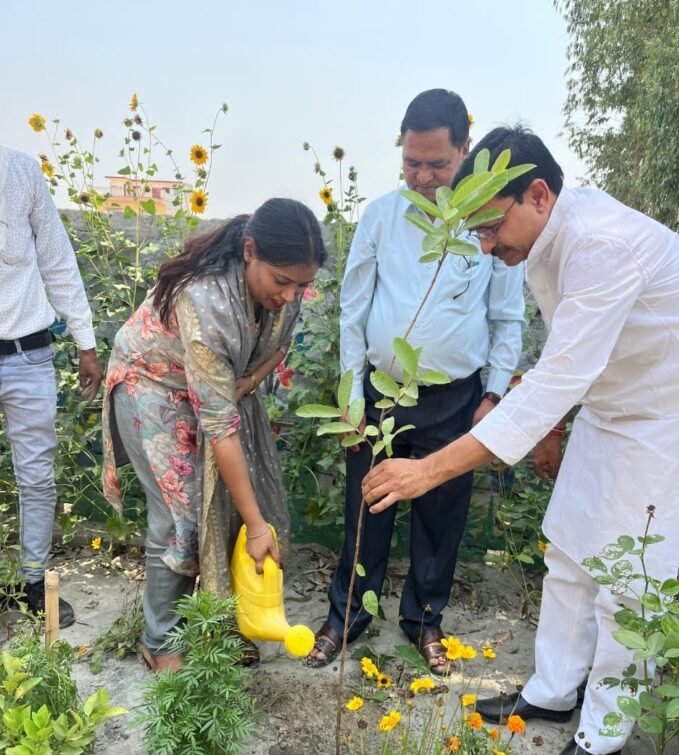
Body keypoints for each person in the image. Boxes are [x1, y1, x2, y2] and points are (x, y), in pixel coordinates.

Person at [362, 126, 679, 755]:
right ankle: (552, 691)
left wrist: (426, 471)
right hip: (609, 408)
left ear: (537, 195)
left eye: (491, 228)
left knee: (629, 586)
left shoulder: (602, 243)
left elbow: (557, 377)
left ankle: (603, 736)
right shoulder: (546, 239)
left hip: (666, 418)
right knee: (569, 554)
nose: (487, 247)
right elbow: (572, 358)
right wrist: (554, 424)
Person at [307, 90, 525, 673]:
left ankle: (425, 620)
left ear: (465, 151)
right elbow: (353, 311)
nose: (423, 177)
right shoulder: (381, 217)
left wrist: (493, 395)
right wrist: (351, 396)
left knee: (442, 516)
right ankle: (345, 616)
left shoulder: (488, 226)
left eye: (437, 164)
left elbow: (507, 319)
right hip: (380, 395)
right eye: (412, 163)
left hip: (456, 399)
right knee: (366, 506)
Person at [102, 199, 326, 672]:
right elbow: (220, 427)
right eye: (281, 281)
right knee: (181, 520)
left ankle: (222, 624)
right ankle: (161, 642)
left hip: (222, 387)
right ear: (250, 251)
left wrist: (248, 382)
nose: (291, 295)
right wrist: (258, 526)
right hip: (155, 384)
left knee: (237, 508)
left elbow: (279, 344)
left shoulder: (284, 292)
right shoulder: (204, 301)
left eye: (302, 284)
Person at [0, 145, 102, 628]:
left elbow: (58, 260)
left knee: (37, 478)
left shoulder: (21, 171)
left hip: (28, 354)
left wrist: (86, 343)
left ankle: (32, 582)